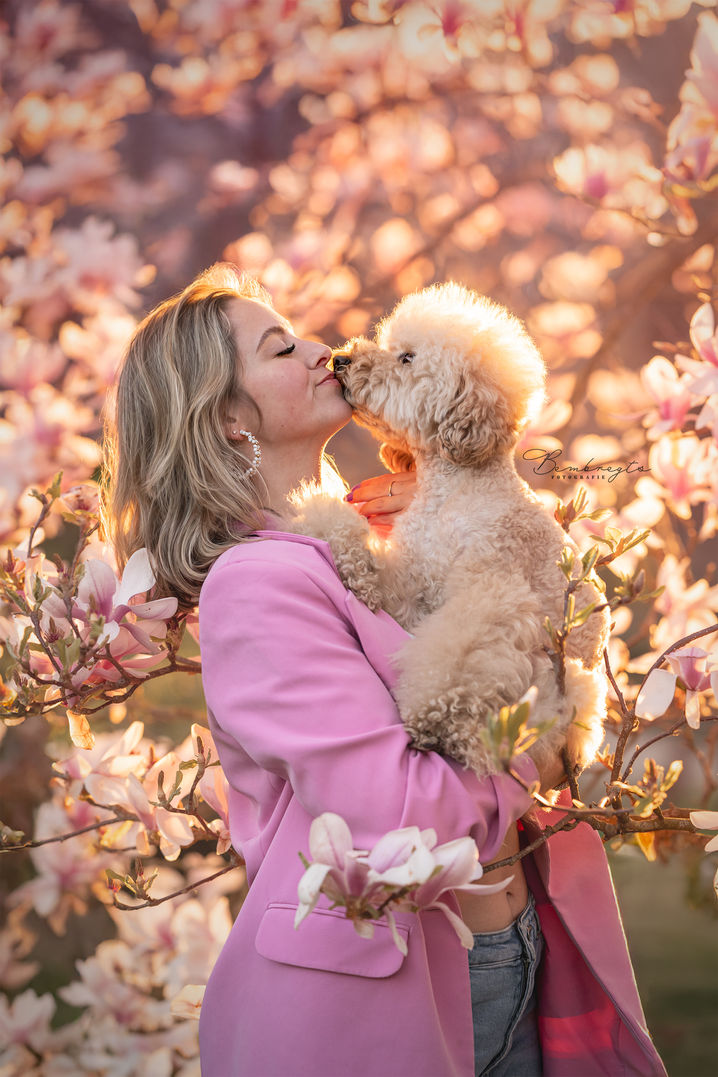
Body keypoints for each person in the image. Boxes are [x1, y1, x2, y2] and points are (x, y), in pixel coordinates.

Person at [104, 262, 667, 1077]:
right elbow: (406, 811)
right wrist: (533, 744)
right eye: (281, 347)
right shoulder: (258, 583)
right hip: (407, 987)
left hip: (511, 946)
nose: (324, 350)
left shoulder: (367, 545)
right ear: (229, 417)